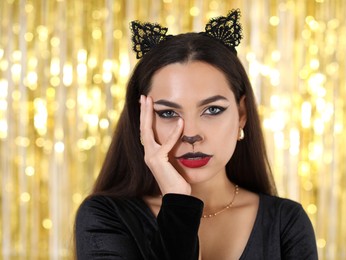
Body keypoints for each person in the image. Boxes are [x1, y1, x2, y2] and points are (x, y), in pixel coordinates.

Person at [75, 9, 318, 259]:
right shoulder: (106, 216)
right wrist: (178, 202)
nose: (191, 134)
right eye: (168, 113)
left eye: (212, 109)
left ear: (241, 114)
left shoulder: (285, 223)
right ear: (142, 120)